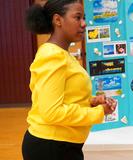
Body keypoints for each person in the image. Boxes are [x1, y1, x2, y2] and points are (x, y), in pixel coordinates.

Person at [22, 0, 117, 160]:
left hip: (62, 145)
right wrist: (98, 112)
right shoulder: (52, 56)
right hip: (51, 147)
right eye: (77, 17)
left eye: (84, 18)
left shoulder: (62, 55)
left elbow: (65, 97)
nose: (84, 24)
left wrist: (91, 101)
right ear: (58, 20)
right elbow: (51, 112)